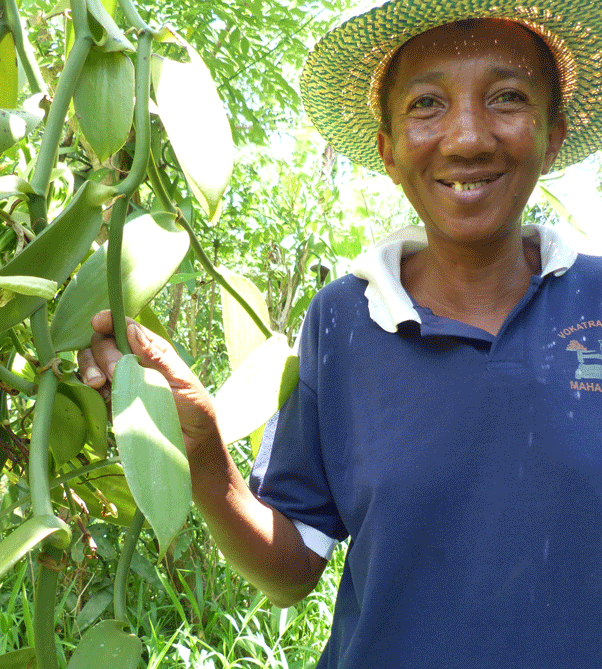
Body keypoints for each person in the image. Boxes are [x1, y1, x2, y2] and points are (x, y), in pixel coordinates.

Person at [78, 0, 602, 665]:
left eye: (506, 97)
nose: (467, 137)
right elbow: (291, 569)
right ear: (387, 149)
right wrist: (205, 458)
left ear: (551, 135)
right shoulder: (343, 321)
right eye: (425, 105)